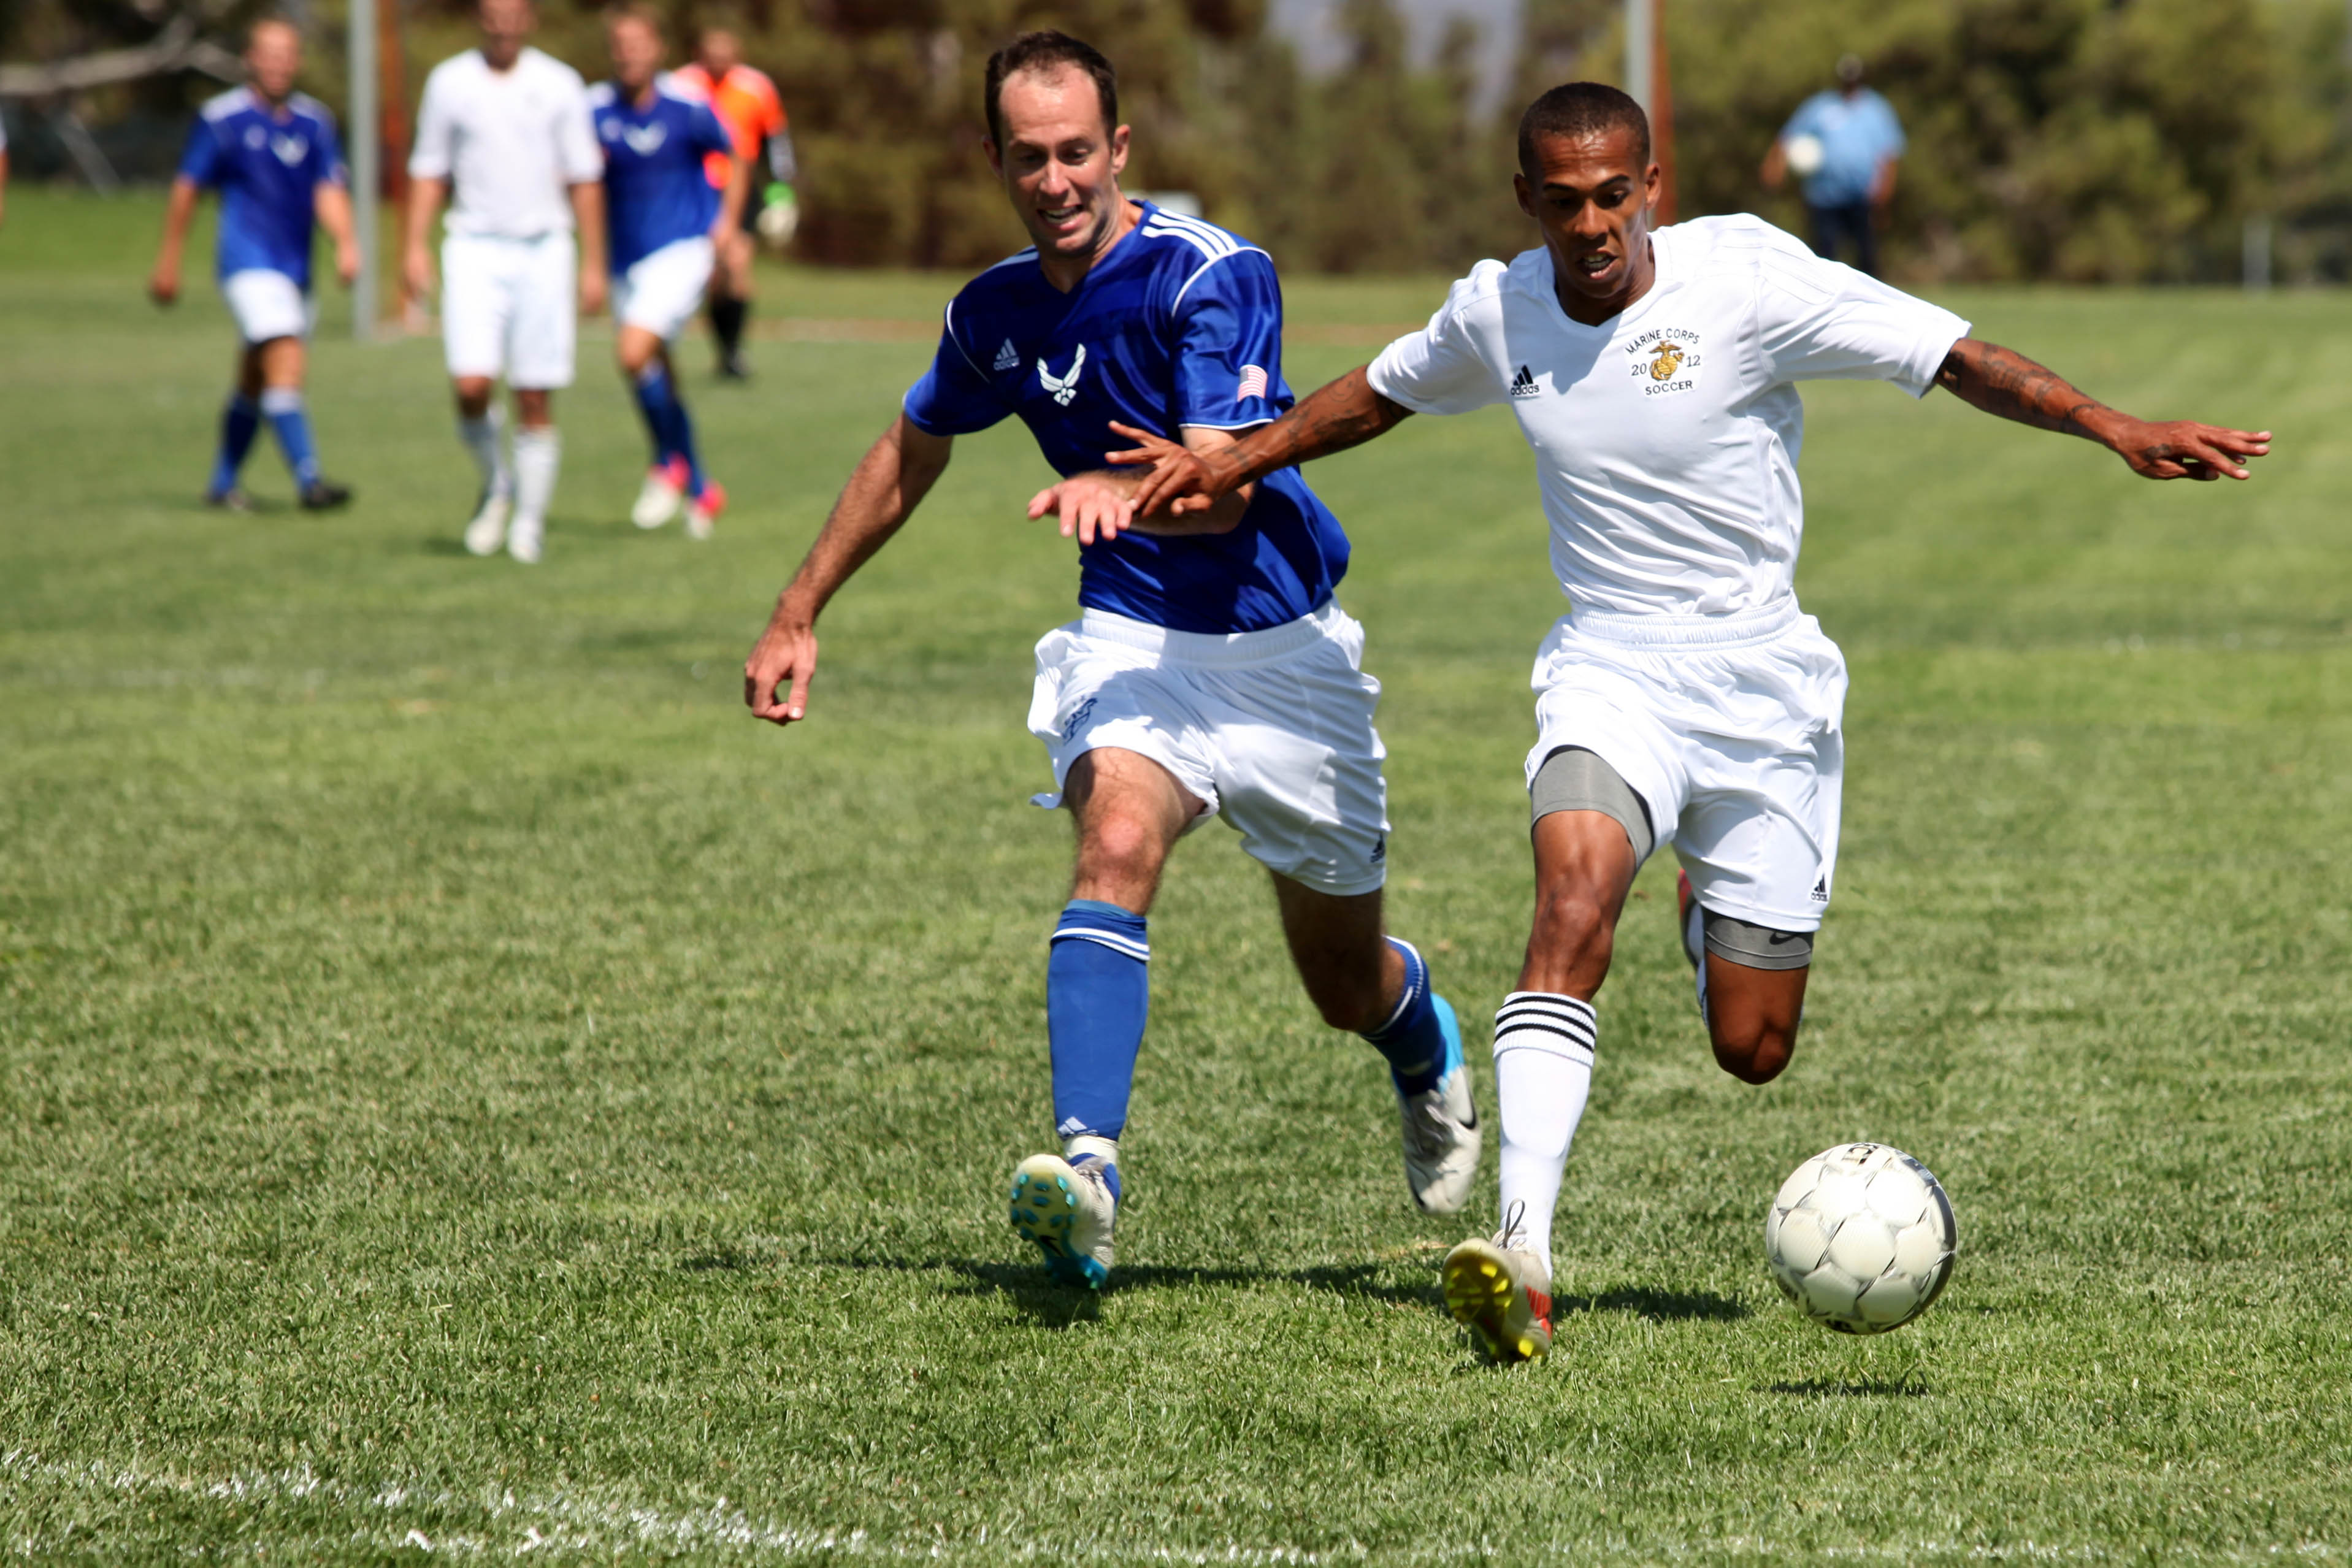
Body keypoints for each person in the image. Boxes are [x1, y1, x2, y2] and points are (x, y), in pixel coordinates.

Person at [1111, 82, 2269, 1361]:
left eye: (1615, 195)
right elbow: (1377, 394)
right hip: (1610, 669)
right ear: (1527, 202)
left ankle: (1705, 911)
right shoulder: (1503, 307)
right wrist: (1237, 457)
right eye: (1565, 202)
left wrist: (2111, 425)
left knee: (1754, 1049)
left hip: (1765, 687)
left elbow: (1952, 355)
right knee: (1567, 901)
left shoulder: (1749, 282)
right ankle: (1522, 1249)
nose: (1594, 223)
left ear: (1650, 185)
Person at [741, 31, 1481, 1292]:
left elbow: (1228, 490)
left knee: (1342, 983)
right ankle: (1087, 1179)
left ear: (1118, 148)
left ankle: (1419, 1041)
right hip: (1134, 639)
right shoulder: (994, 311)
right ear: (995, 160)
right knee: (1115, 845)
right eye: (1027, 157)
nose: (1054, 179)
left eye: (1076, 151)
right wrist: (800, 604)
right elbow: (916, 442)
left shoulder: (1209, 273)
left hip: (1283, 657)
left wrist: (1107, 483)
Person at [404, 0, 607, 565]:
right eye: (494, 11)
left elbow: (585, 178)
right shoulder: (450, 81)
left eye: (514, 11)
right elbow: (428, 169)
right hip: (473, 247)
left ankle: (529, 525)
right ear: (480, 17)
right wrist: (414, 247)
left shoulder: (560, 84)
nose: (503, 22)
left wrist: (593, 264)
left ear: (530, 18)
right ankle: (498, 483)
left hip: (544, 249)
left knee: (534, 393)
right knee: (471, 385)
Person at [148, 18, 359, 512]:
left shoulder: (315, 122)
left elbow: (327, 189)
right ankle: (310, 480)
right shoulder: (223, 118)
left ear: (298, 60)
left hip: (296, 269)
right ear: (250, 59)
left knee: (256, 377)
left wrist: (347, 242)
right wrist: (169, 258)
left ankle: (222, 485)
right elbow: (187, 189)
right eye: (269, 52)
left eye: (288, 53)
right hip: (247, 263)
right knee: (285, 357)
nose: (279, 62)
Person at [590, 4, 750, 539]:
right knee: (657, 372)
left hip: (683, 249)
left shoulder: (687, 106)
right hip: (624, 261)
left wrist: (726, 224)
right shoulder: (594, 109)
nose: (628, 53)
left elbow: (738, 155)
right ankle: (703, 486)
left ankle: (666, 462)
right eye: (620, 44)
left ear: (657, 48)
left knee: (632, 352)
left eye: (638, 43)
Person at [675, 26, 794, 379]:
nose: (718, 64)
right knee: (714, 276)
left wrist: (781, 192)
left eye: (725, 56)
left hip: (740, 191)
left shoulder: (757, 87)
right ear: (699, 53)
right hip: (697, 190)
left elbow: (777, 143)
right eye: (712, 56)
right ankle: (722, 350)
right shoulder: (682, 86)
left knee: (737, 264)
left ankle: (733, 353)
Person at [1761, 54, 1903, 277]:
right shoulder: (1820, 106)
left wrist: (1885, 191)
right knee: (1824, 257)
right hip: (1824, 196)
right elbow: (1787, 138)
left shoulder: (1876, 109)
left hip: (1862, 196)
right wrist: (1774, 167)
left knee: (1867, 257)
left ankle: (1870, 308)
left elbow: (1889, 154)